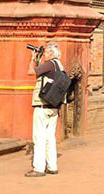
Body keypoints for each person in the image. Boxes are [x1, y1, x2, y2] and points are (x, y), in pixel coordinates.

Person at [26, 42, 64, 178]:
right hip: (54, 106)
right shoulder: (59, 65)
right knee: (50, 137)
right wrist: (39, 59)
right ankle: (52, 166)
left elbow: (31, 72)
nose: (44, 55)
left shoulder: (49, 64)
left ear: (52, 54)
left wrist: (33, 58)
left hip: (42, 106)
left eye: (46, 52)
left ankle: (38, 168)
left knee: (39, 137)